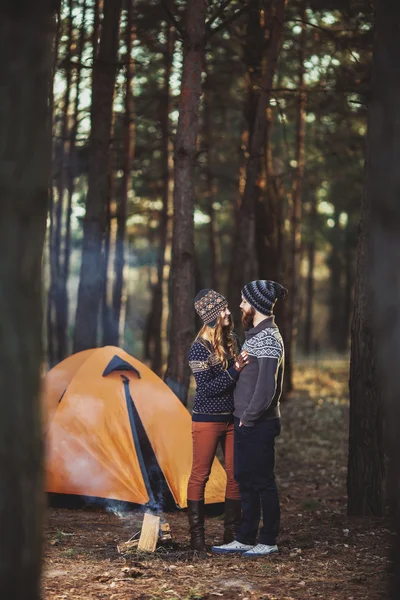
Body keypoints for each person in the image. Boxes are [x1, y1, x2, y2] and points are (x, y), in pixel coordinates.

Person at [212, 280, 287, 557]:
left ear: (255, 305)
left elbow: (267, 386)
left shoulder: (269, 337)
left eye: (244, 301)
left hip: (258, 423)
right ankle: (245, 537)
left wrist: (250, 417)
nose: (240, 305)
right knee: (245, 479)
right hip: (245, 420)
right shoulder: (256, 334)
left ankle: (268, 540)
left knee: (263, 482)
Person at [187, 288, 248, 551]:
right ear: (210, 315)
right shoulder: (198, 350)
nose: (228, 312)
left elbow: (241, 381)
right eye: (222, 310)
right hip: (206, 420)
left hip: (233, 419)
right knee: (201, 475)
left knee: (236, 475)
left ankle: (231, 535)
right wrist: (235, 370)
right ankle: (197, 537)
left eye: (226, 307)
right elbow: (208, 388)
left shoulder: (232, 340)